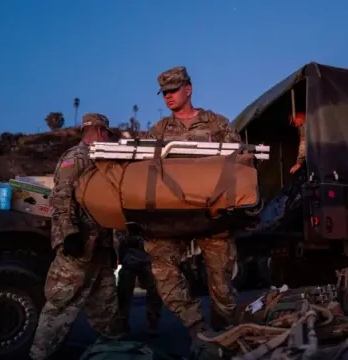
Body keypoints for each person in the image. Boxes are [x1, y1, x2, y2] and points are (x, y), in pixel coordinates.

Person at [144, 66, 240, 339]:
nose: (168, 97)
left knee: (222, 285)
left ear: (189, 89)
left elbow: (240, 163)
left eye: (173, 90)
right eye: (164, 93)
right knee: (162, 271)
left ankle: (228, 338)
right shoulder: (158, 131)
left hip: (212, 211)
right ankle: (199, 329)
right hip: (172, 215)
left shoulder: (217, 124)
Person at [29, 113, 122, 360]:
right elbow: (60, 197)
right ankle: (39, 355)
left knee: (106, 304)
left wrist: (111, 244)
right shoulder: (76, 158)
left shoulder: (100, 160)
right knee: (61, 304)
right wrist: (70, 233)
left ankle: (115, 350)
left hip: (99, 247)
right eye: (107, 135)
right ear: (101, 132)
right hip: (78, 246)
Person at [114, 230, 163, 336]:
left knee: (155, 288)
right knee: (124, 290)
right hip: (130, 254)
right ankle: (122, 321)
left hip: (149, 253)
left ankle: (153, 321)